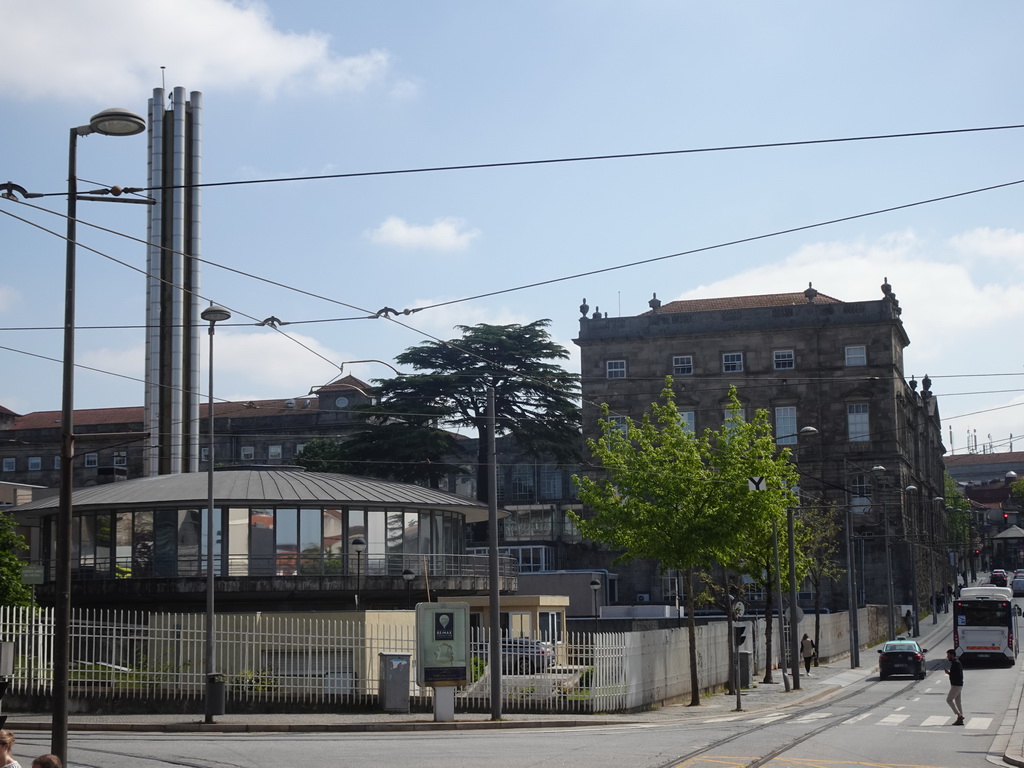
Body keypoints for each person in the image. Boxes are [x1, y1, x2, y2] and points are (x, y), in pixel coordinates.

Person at [944, 648, 965, 725]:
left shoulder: (956, 663)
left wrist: (949, 674)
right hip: (958, 684)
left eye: (948, 655)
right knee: (958, 701)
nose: (947, 657)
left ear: (952, 655)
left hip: (956, 685)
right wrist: (949, 673)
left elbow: (958, 674)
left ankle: (959, 715)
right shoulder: (955, 662)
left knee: (949, 700)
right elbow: (956, 674)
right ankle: (960, 718)